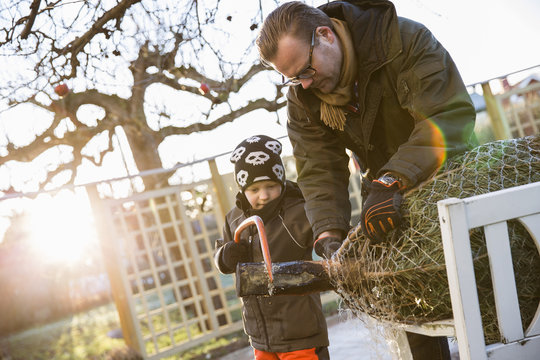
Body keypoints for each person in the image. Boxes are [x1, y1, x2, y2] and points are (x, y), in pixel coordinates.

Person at [256, 1, 478, 359]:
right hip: (386, 197)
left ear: (325, 34)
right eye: (295, 78)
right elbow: (318, 169)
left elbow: (447, 117)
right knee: (409, 308)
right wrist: (328, 233)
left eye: (306, 70)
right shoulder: (304, 99)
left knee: (478, 308)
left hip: (454, 180)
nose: (305, 83)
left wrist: (392, 180)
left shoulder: (403, 40)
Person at [214, 135, 330, 360]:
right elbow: (220, 259)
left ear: (282, 181)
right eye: (254, 189)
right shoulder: (235, 219)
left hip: (300, 332)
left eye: (271, 186)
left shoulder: (297, 210)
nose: (264, 195)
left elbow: (325, 230)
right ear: (242, 189)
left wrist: (330, 243)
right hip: (261, 335)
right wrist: (225, 256)